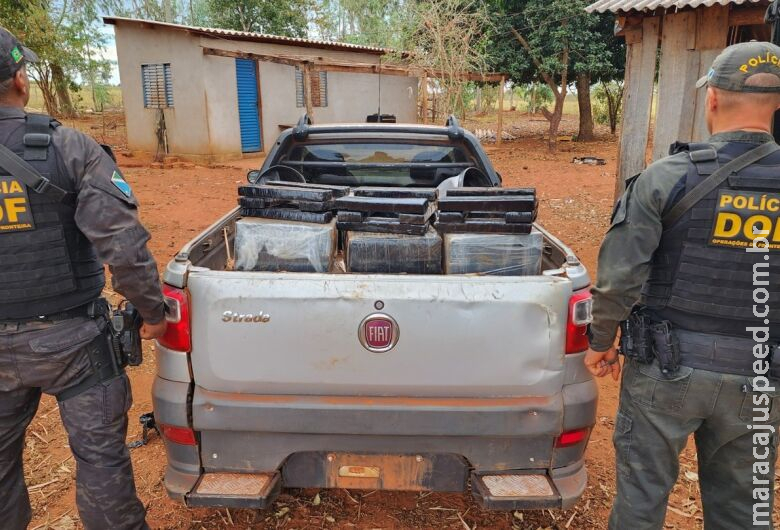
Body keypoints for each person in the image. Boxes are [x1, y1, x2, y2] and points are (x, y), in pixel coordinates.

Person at [585, 41, 780, 530]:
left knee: (641, 497)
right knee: (744, 510)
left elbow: (619, 280)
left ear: (711, 98)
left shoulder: (666, 177)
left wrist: (601, 342)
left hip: (665, 371)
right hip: (760, 378)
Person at [0, 27, 166, 530]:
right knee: (101, 464)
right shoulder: (69, 147)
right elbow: (124, 245)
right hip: (74, 343)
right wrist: (154, 313)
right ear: (21, 80)